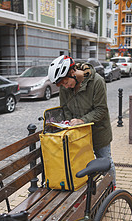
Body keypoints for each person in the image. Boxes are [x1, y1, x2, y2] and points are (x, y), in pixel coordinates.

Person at [48, 55, 116, 185]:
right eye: (62, 85)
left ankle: (112, 190)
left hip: (98, 131)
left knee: (106, 162)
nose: (66, 87)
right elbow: (65, 108)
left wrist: (82, 120)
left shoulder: (97, 81)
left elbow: (101, 110)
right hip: (78, 134)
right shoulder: (64, 87)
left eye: (66, 82)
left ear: (72, 72)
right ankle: (87, 192)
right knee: (81, 164)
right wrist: (69, 123)